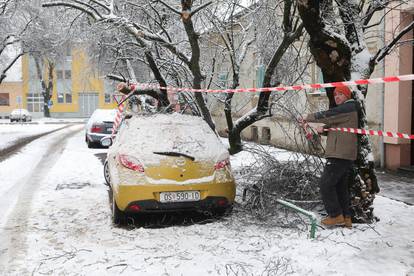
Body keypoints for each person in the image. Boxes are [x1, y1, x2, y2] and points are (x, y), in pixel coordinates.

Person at [302, 86, 358, 228]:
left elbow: (329, 115)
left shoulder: (348, 107)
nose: (337, 97)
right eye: (335, 95)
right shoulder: (346, 111)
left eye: (340, 94)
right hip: (344, 154)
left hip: (339, 154)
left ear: (347, 95)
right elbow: (337, 128)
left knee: (325, 184)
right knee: (340, 187)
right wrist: (324, 130)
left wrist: (308, 118)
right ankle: (346, 218)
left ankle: (335, 215)